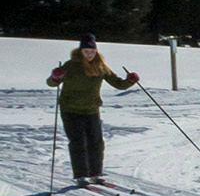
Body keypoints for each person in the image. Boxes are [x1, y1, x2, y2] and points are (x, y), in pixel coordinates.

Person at [44, 33, 139, 187]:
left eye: (92, 51)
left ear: (96, 51)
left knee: (96, 142)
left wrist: (129, 81)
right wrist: (55, 77)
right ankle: (81, 176)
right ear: (80, 51)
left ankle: (96, 174)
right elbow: (51, 84)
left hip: (91, 110)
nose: (89, 54)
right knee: (78, 142)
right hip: (70, 109)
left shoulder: (100, 67)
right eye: (86, 51)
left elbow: (118, 84)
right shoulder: (70, 65)